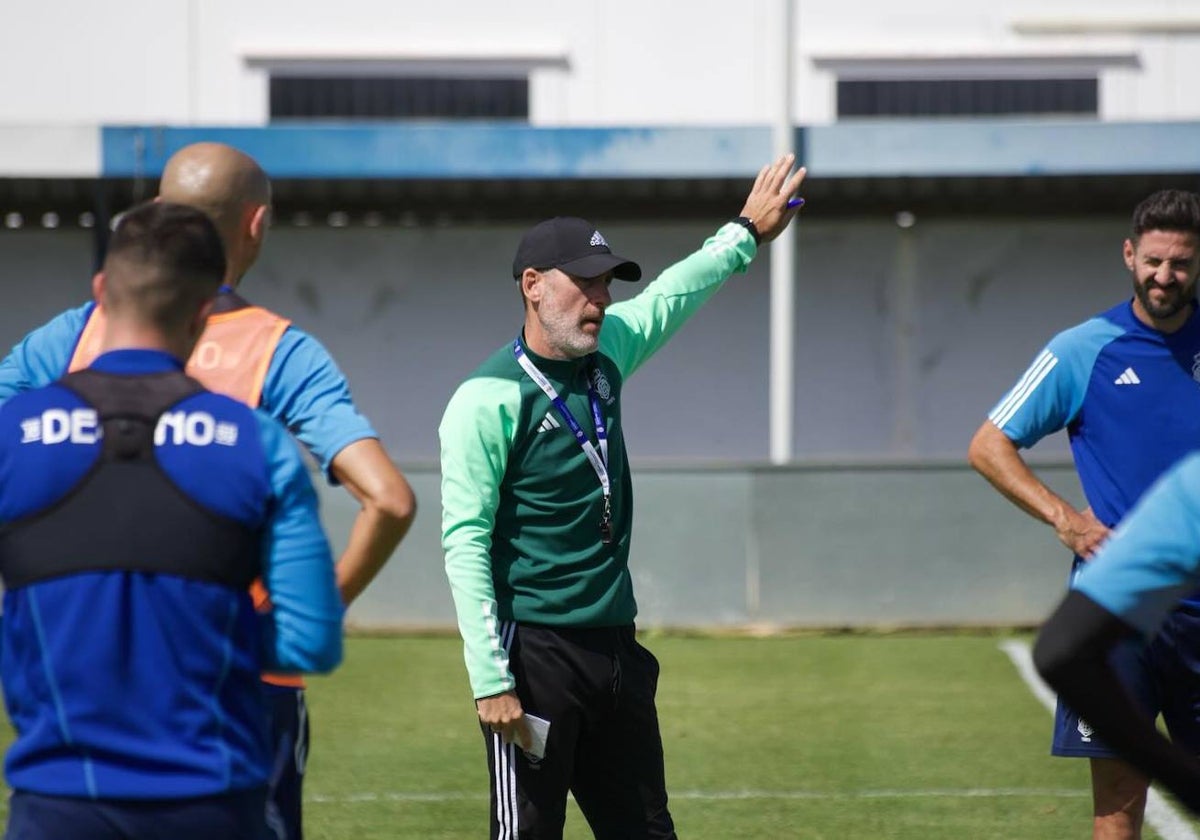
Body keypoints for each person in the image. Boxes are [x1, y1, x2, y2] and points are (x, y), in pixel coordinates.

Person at [0, 142, 416, 840]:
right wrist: (292, 622)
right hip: (232, 692)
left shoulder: (70, 339)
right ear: (255, 226)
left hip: (75, 679)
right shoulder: (279, 353)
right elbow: (390, 499)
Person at [439, 154, 806, 839]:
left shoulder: (608, 351)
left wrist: (744, 234)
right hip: (535, 655)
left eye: (605, 284)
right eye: (583, 284)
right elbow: (464, 540)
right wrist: (491, 678)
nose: (600, 301)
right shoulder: (484, 398)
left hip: (616, 649)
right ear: (532, 286)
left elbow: (674, 292)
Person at [968, 189, 1200, 839]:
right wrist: (1066, 519)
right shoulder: (1083, 349)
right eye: (1153, 260)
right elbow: (989, 444)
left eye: (1180, 263)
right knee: (1118, 806)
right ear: (1130, 255)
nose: (1165, 275)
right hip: (1118, 618)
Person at [1033, 450, 1200, 818]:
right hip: (1145, 641)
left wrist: (1187, 784)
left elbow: (1062, 651)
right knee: (1117, 805)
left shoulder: (1190, 485)